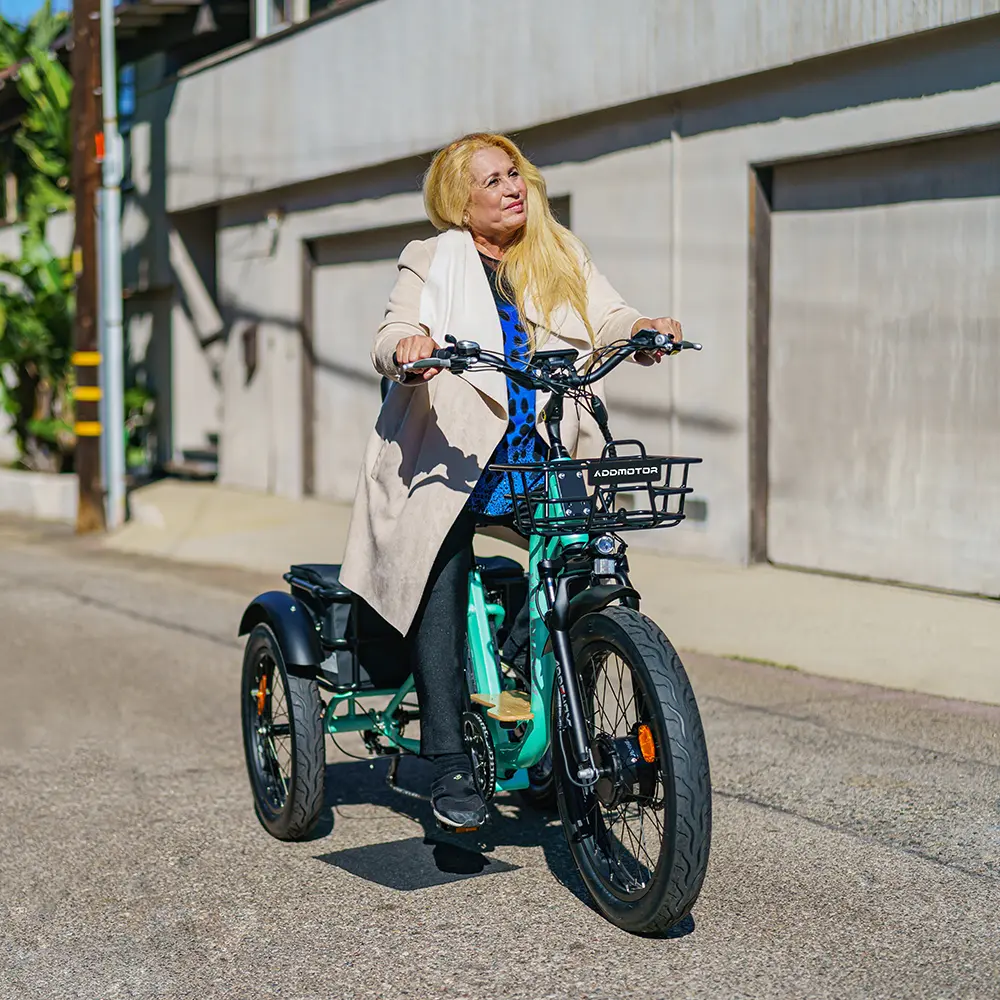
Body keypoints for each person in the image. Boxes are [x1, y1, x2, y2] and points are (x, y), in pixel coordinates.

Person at [340, 132, 682, 829]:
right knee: (440, 566)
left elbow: (607, 314)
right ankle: (451, 762)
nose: (512, 187)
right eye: (493, 180)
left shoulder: (557, 251)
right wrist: (409, 350)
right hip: (452, 460)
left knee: (585, 558)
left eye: (515, 174)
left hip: (543, 453)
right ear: (462, 203)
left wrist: (642, 328)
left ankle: (541, 684)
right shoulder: (433, 258)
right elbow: (391, 331)